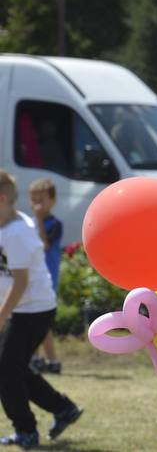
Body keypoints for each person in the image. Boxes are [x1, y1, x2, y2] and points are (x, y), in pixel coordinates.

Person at [0, 169, 83, 448]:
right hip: (26, 309)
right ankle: (63, 409)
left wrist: (1, 318)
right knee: (14, 368)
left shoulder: (16, 233)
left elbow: (21, 282)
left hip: (31, 311)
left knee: (6, 372)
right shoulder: (9, 225)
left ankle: (26, 431)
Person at [27, 179, 63, 375]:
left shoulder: (55, 224)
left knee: (42, 321)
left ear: (52, 200)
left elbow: (45, 244)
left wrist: (39, 219)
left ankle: (51, 359)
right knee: (32, 318)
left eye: (41, 200)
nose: (37, 205)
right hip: (33, 277)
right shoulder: (29, 223)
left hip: (48, 278)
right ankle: (36, 358)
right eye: (33, 200)